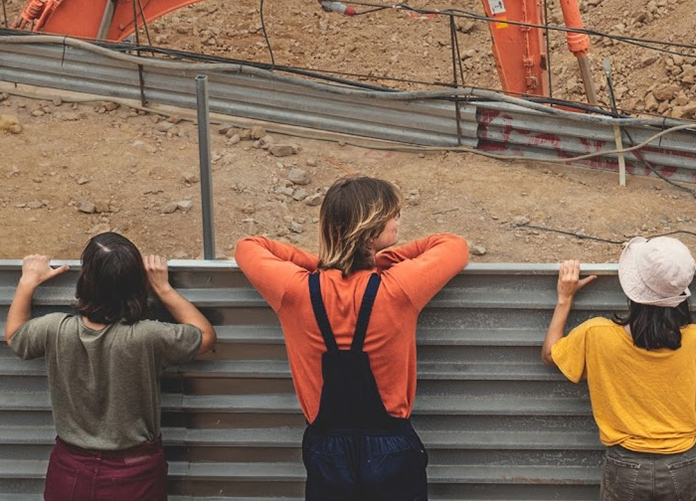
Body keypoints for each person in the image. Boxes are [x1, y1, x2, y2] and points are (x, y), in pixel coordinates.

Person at [235, 175, 468, 501]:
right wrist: (380, 262)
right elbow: (454, 245)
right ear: (370, 231)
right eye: (392, 213)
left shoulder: (296, 290)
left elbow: (248, 247)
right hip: (392, 447)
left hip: (326, 450)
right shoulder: (398, 287)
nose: (398, 219)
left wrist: (322, 266)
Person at [541, 236, 696, 501]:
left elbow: (550, 355)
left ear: (630, 289)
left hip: (624, 466)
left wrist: (565, 299)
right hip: (685, 465)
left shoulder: (596, 334)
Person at [6, 232, 216, 501]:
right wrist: (164, 289)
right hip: (136, 475)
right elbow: (206, 336)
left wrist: (27, 282)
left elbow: (15, 336)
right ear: (137, 284)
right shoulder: (148, 336)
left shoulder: (54, 329)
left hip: (69, 472)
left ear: (84, 281)